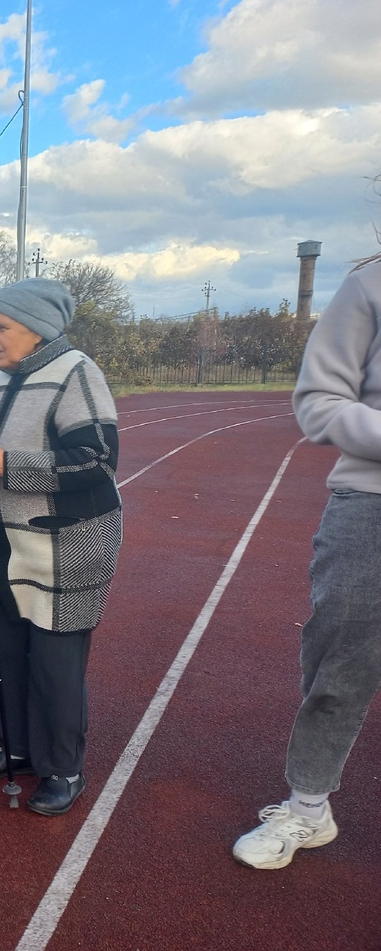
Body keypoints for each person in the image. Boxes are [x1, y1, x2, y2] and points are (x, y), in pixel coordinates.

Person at [0, 277, 122, 816]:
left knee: (55, 666)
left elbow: (98, 461)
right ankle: (17, 749)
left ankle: (63, 768)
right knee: (4, 655)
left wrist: (9, 466)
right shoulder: (1, 383)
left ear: (38, 328)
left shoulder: (77, 373)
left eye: (1, 327)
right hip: (4, 547)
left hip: (66, 549)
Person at [232, 250, 381, 868]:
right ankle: (309, 808)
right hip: (372, 499)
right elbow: (319, 398)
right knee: (341, 657)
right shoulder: (370, 283)